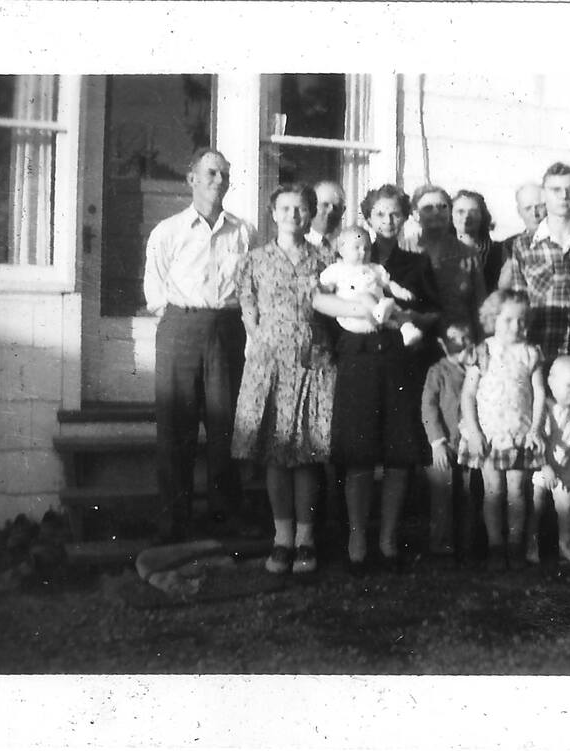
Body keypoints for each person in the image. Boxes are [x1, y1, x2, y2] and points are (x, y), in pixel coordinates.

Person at [315, 184, 441, 572]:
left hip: (401, 360)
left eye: (396, 214)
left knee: (399, 453)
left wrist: (405, 316)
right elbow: (320, 301)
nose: (388, 221)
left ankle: (387, 538)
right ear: (368, 220)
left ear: (405, 218)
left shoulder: (413, 264)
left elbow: (433, 314)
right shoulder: (342, 261)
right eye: (380, 215)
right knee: (359, 452)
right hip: (357, 357)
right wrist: (362, 309)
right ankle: (357, 535)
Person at [144, 148, 257, 542]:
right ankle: (173, 522)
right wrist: (180, 323)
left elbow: (250, 287)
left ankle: (225, 516)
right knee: (176, 427)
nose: (218, 181)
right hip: (181, 326)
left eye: (225, 174)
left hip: (226, 329)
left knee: (226, 426)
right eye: (210, 173)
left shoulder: (243, 232)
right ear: (191, 178)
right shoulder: (168, 231)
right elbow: (155, 290)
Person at [230, 184, 337, 574]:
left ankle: (307, 540)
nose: (293, 214)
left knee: (307, 454)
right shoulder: (255, 260)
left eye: (301, 208)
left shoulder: (327, 258)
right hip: (270, 366)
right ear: (273, 213)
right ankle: (282, 538)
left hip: (314, 364)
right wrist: (261, 347)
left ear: (309, 214)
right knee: (277, 455)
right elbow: (248, 312)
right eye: (286, 208)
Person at [458, 290, 546, 570]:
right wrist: (473, 432)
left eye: (521, 321)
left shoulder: (531, 353)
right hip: (489, 435)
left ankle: (515, 544)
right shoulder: (482, 351)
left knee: (517, 491)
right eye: (507, 320)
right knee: (493, 490)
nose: (515, 327)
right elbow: (468, 395)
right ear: (492, 319)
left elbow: (540, 393)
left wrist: (535, 429)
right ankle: (496, 544)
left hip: (519, 435)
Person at [498, 162, 570, 360]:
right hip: (542, 346)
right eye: (556, 190)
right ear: (544, 194)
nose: (564, 196)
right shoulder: (523, 246)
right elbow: (519, 303)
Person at [528, 355, 570, 565]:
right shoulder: (545, 408)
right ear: (551, 382)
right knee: (535, 507)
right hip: (542, 465)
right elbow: (538, 441)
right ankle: (531, 544)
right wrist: (544, 466)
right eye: (569, 385)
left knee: (565, 508)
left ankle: (566, 544)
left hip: (564, 467)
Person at [421, 322, 475, 561]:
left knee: (469, 493)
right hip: (445, 444)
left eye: (466, 341)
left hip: (468, 444)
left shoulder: (475, 371)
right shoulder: (437, 372)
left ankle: (467, 544)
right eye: (456, 342)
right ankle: (441, 544)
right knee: (442, 495)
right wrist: (437, 442)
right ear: (443, 345)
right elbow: (428, 406)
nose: (462, 347)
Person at [319, 226, 421, 345]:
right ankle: (379, 313)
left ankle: (408, 331)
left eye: (367, 248)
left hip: (379, 319)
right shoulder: (338, 269)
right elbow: (324, 286)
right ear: (342, 250)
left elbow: (388, 284)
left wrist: (401, 292)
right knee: (365, 296)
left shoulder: (374, 268)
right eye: (356, 247)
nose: (363, 252)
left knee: (399, 312)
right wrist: (327, 291)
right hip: (354, 318)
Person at [410, 185, 486, 338]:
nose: (436, 212)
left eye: (442, 207)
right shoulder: (404, 248)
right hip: (415, 341)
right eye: (428, 208)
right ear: (415, 214)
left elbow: (479, 305)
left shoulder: (467, 254)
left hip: (458, 341)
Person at [452, 189, 506, 293]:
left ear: (483, 216)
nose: (467, 217)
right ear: (451, 215)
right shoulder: (440, 249)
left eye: (473, 212)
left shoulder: (498, 252)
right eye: (460, 212)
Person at [500, 181, 547, 265]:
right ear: (519, 212)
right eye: (528, 208)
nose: (534, 213)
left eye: (539, 207)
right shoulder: (511, 244)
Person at [306, 179, 345, 251]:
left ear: (343, 211)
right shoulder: (298, 241)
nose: (331, 211)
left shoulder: (349, 244)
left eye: (336, 207)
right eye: (325, 205)